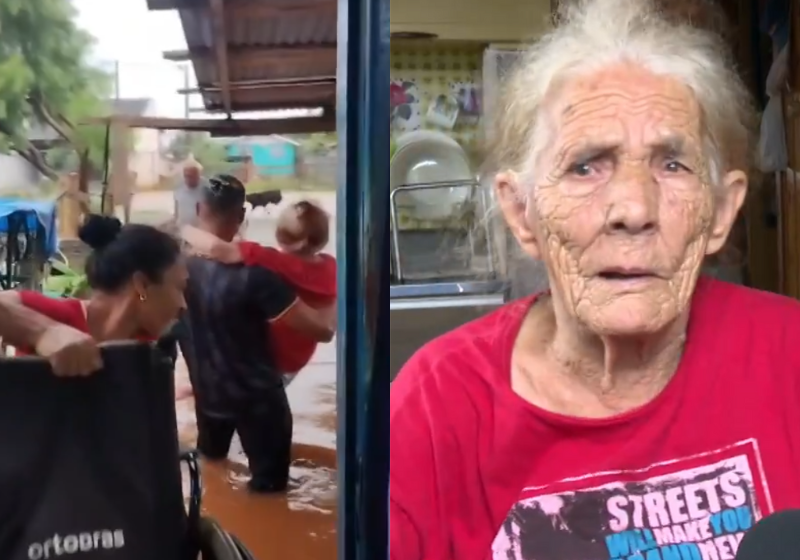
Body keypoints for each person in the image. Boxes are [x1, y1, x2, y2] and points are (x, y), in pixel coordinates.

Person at [390, 1, 800, 559]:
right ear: (521, 213)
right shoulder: (434, 408)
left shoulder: (789, 351)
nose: (633, 207)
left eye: (672, 164)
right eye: (585, 165)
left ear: (722, 213)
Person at [177, 174, 335, 493]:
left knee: (211, 473)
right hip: (258, 404)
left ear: (199, 208)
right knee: (271, 494)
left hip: (209, 398)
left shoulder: (176, 270)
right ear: (241, 217)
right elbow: (322, 331)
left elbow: (148, 311)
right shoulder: (259, 277)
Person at [0, 214, 186, 375]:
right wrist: (44, 332)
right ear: (142, 285)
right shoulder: (59, 316)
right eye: (179, 288)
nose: (182, 304)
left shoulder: (150, 352)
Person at [181, 199, 336, 383]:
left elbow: (217, 249)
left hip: (273, 359)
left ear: (283, 237)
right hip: (299, 357)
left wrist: (183, 230)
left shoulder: (276, 261)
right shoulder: (331, 265)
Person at [173, 160, 207, 228]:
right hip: (182, 229)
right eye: (186, 176)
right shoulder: (179, 186)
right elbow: (177, 207)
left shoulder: (207, 188)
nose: (188, 179)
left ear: (198, 175)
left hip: (200, 230)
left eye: (191, 176)